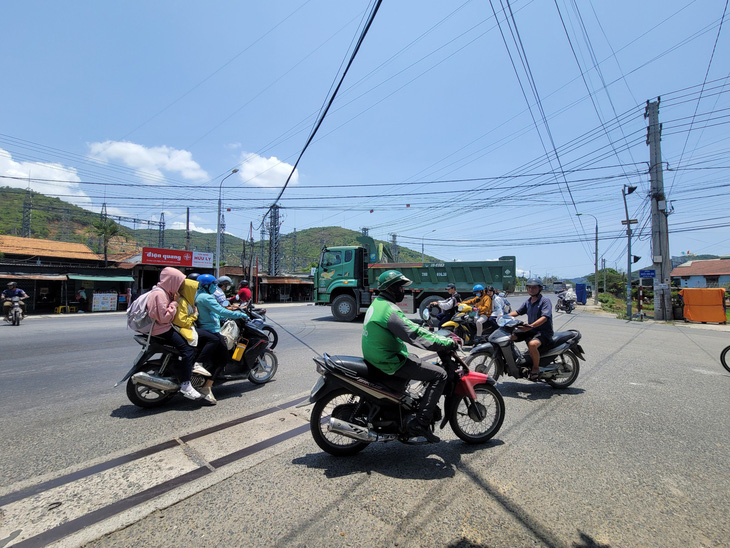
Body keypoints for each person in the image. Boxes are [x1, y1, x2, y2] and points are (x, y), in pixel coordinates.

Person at [362, 270, 458, 443]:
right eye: (400, 286)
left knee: (415, 358)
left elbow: (407, 326)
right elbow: (413, 334)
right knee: (440, 375)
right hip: (388, 361)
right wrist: (443, 342)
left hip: (377, 356)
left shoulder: (378, 304)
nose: (403, 290)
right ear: (391, 288)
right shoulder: (389, 310)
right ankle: (420, 423)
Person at [147, 267, 202, 401]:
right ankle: (186, 384)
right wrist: (174, 304)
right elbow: (164, 318)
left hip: (162, 327)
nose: (179, 285)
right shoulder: (159, 294)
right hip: (162, 328)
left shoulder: (164, 292)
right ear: (171, 281)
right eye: (178, 281)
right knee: (188, 350)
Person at [195, 274, 249, 405]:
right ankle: (207, 387)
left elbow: (213, 313)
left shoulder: (198, 295)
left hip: (207, 327)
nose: (216, 287)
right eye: (213, 284)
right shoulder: (206, 297)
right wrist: (240, 314)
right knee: (223, 358)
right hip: (211, 330)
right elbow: (221, 311)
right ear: (206, 285)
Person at [508, 277, 553, 381]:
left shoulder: (545, 301)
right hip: (531, 330)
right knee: (510, 336)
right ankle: (516, 360)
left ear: (540, 288)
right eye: (529, 287)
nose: (531, 290)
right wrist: (504, 317)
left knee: (532, 345)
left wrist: (531, 325)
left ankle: (535, 368)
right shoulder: (528, 301)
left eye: (534, 287)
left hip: (544, 332)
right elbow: (518, 312)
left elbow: (544, 318)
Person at [172, 277, 214, 381]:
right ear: (189, 290)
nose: (196, 292)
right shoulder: (183, 302)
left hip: (186, 328)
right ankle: (198, 364)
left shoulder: (187, 300)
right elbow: (182, 322)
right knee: (214, 339)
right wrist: (195, 315)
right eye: (194, 289)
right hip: (183, 329)